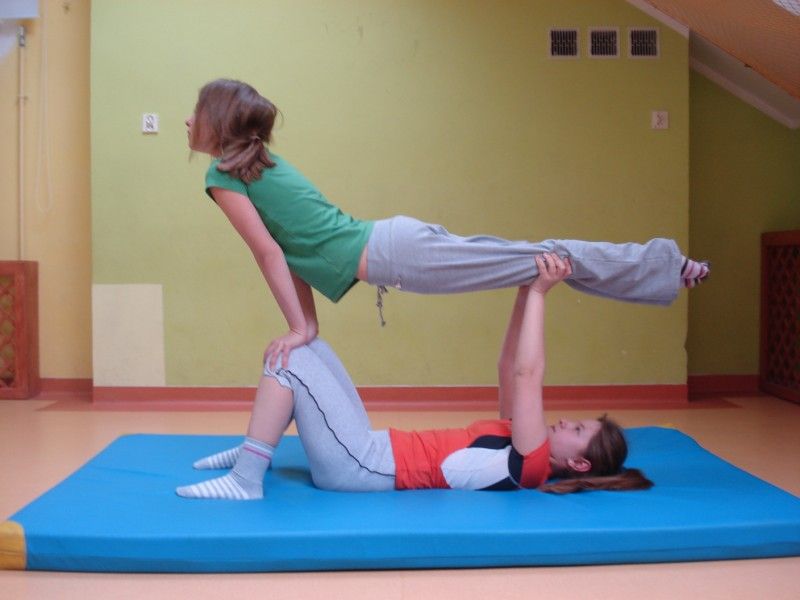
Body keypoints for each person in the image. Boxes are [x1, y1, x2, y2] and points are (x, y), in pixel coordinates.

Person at [186, 79, 709, 369]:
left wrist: (301, 328)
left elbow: (268, 254)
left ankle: (663, 266)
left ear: (220, 122)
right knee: (539, 261)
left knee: (545, 259)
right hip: (396, 245)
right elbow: (288, 253)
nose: (187, 120)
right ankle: (662, 271)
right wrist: (307, 326)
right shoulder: (254, 168)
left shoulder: (223, 175)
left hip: (396, 253)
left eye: (195, 111)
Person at [176, 253, 653, 499]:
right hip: (369, 448)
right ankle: (259, 444)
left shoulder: (531, 462)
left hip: (360, 467)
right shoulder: (522, 441)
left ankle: (247, 477)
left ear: (579, 464)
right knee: (310, 346)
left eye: (577, 430)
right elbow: (510, 367)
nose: (566, 422)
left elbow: (529, 374)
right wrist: (525, 289)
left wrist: (543, 295)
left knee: (292, 358)